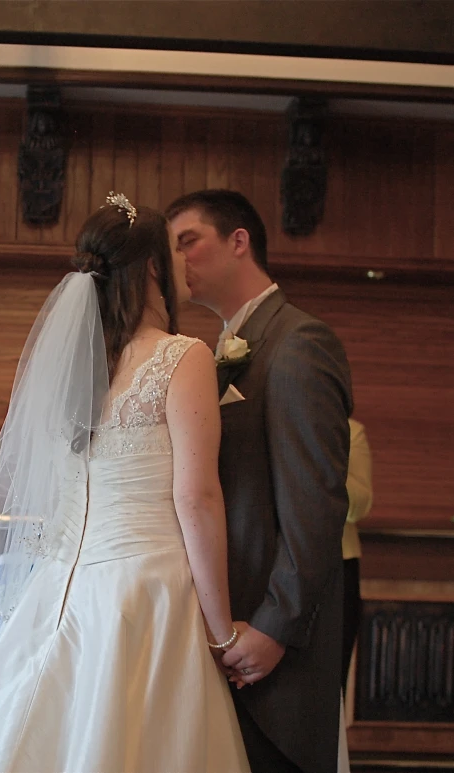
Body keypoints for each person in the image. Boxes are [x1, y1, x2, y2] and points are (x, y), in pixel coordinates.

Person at [0, 194, 249, 773]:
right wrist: (222, 632)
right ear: (152, 267)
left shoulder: (75, 368)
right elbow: (196, 497)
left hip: (59, 590)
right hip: (147, 593)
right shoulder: (182, 357)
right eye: (173, 252)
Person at [167, 189, 353, 773]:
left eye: (187, 242)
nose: (177, 261)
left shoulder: (298, 343)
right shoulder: (221, 350)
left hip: (273, 654)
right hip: (228, 640)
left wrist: (276, 628)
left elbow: (315, 505)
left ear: (239, 241)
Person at [342, 418, 373, 695]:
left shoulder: (351, 431)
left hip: (340, 565)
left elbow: (359, 507)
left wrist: (327, 455)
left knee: (333, 680)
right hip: (268, 564)